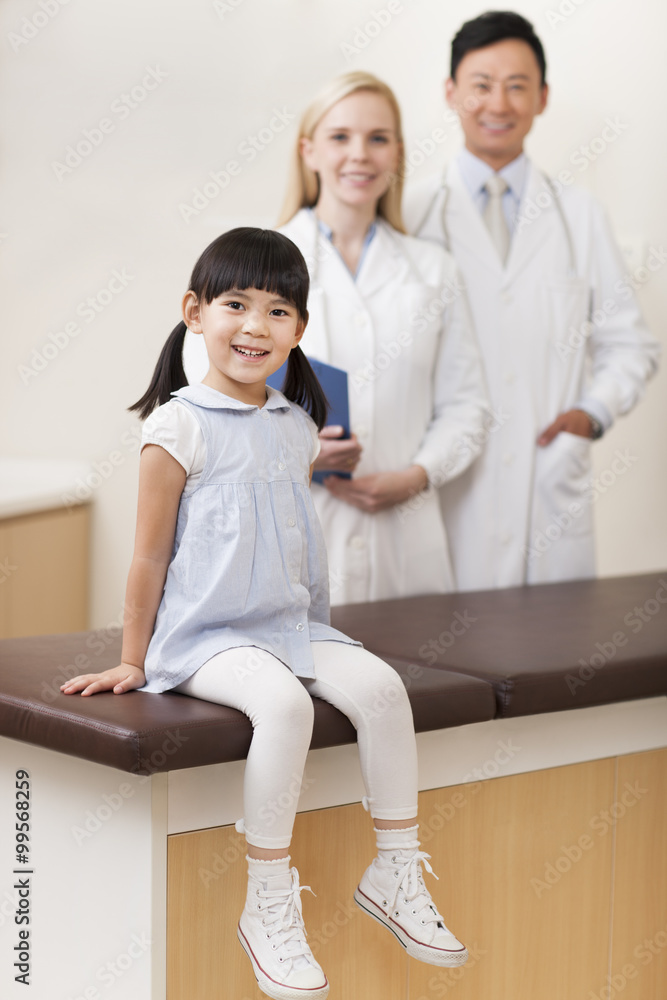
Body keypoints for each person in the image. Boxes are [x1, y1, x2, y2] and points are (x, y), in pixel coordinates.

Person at [60, 228, 469, 1000]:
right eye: (236, 305)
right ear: (194, 312)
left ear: (299, 329)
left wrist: (318, 624)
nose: (255, 325)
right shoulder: (177, 427)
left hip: (289, 627)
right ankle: (268, 900)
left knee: (383, 689)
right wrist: (133, 658)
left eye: (277, 311)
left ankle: (394, 871)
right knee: (284, 707)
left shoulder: (294, 425)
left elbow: (286, 530)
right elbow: (148, 556)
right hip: (205, 638)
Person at [184, 72, 489, 605]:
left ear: (397, 153)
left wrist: (417, 476)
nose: (360, 154)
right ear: (309, 151)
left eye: (378, 138)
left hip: (407, 544)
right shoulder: (251, 265)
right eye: (340, 136)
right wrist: (298, 453)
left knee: (417, 658)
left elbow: (468, 407)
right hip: (286, 535)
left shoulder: (434, 271)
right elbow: (206, 407)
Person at [403, 10, 660, 592]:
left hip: (548, 485)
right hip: (444, 483)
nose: (499, 103)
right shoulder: (411, 214)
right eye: (481, 85)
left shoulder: (580, 215)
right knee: (440, 641)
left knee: (550, 643)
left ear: (542, 98)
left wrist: (590, 414)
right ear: (451, 93)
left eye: (517, 85)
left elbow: (630, 345)